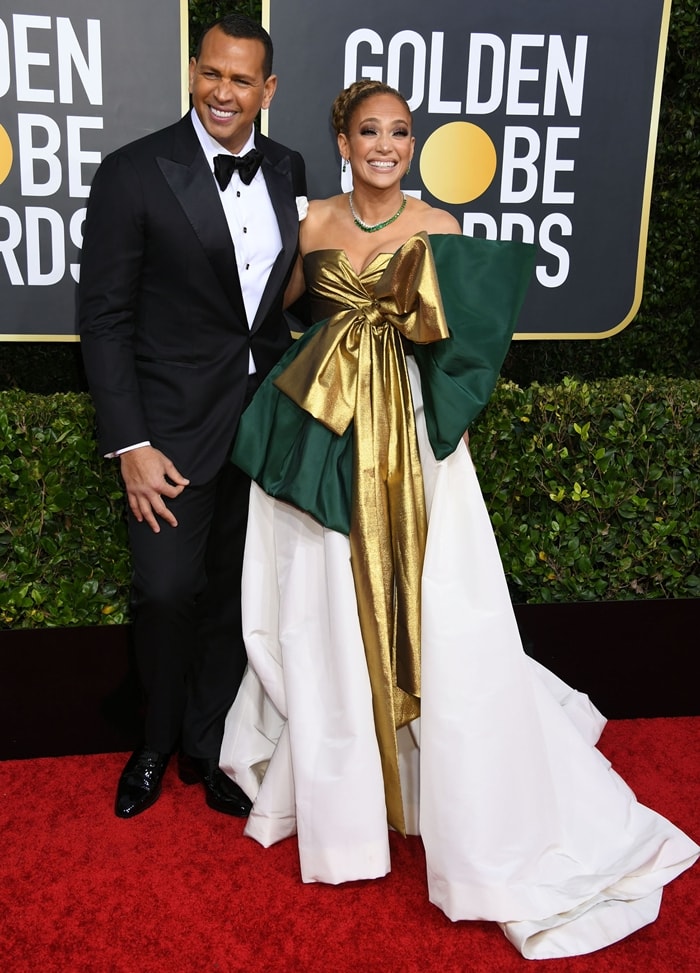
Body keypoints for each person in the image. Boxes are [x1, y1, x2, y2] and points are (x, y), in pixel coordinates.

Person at [219, 80, 698, 958]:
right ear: (341, 137)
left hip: (409, 438)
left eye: (399, 133)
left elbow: (468, 344)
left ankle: (443, 775)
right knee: (324, 607)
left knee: (437, 607)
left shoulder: (440, 227)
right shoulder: (313, 221)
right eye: (370, 131)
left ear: (412, 144)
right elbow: (279, 310)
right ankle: (349, 793)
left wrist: (428, 407)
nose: (385, 146)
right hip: (324, 427)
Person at [78, 13, 307, 820]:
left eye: (242, 80)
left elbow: (285, 298)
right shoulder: (135, 172)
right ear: (191, 72)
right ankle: (154, 741)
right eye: (213, 73)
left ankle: (210, 746)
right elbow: (103, 320)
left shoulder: (288, 167)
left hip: (262, 419)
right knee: (168, 590)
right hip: (170, 427)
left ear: (267, 90)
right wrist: (130, 444)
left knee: (235, 595)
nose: (224, 91)